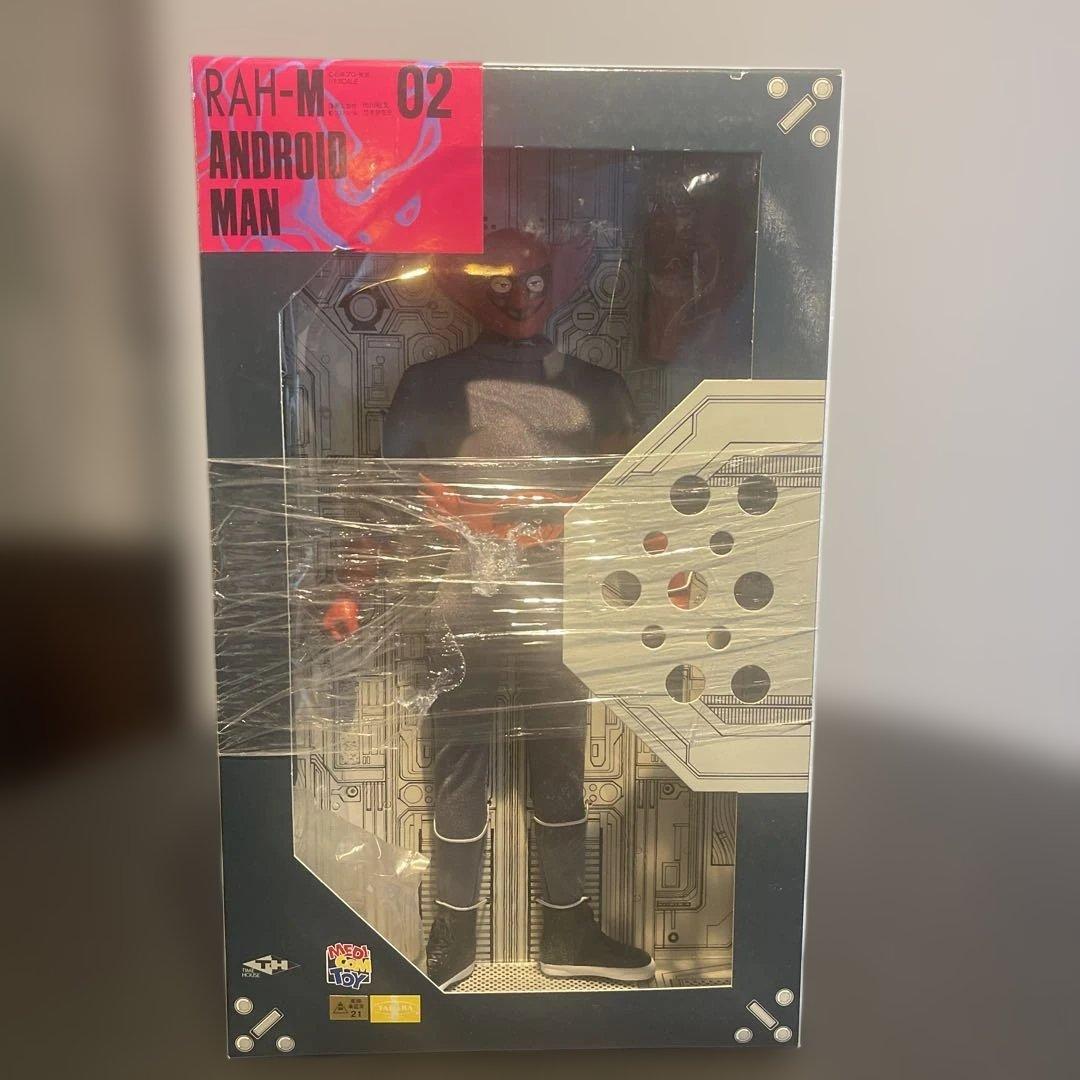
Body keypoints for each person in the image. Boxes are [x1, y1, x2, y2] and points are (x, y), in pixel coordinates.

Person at [324, 229, 655, 990]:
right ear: (469, 286)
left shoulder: (600, 387)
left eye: (534, 280)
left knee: (559, 764)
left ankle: (567, 928)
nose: (519, 297)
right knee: (459, 764)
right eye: (501, 281)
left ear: (558, 280)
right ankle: (456, 931)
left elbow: (633, 500)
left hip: (561, 607)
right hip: (457, 601)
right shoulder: (430, 383)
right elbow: (389, 497)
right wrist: (352, 582)